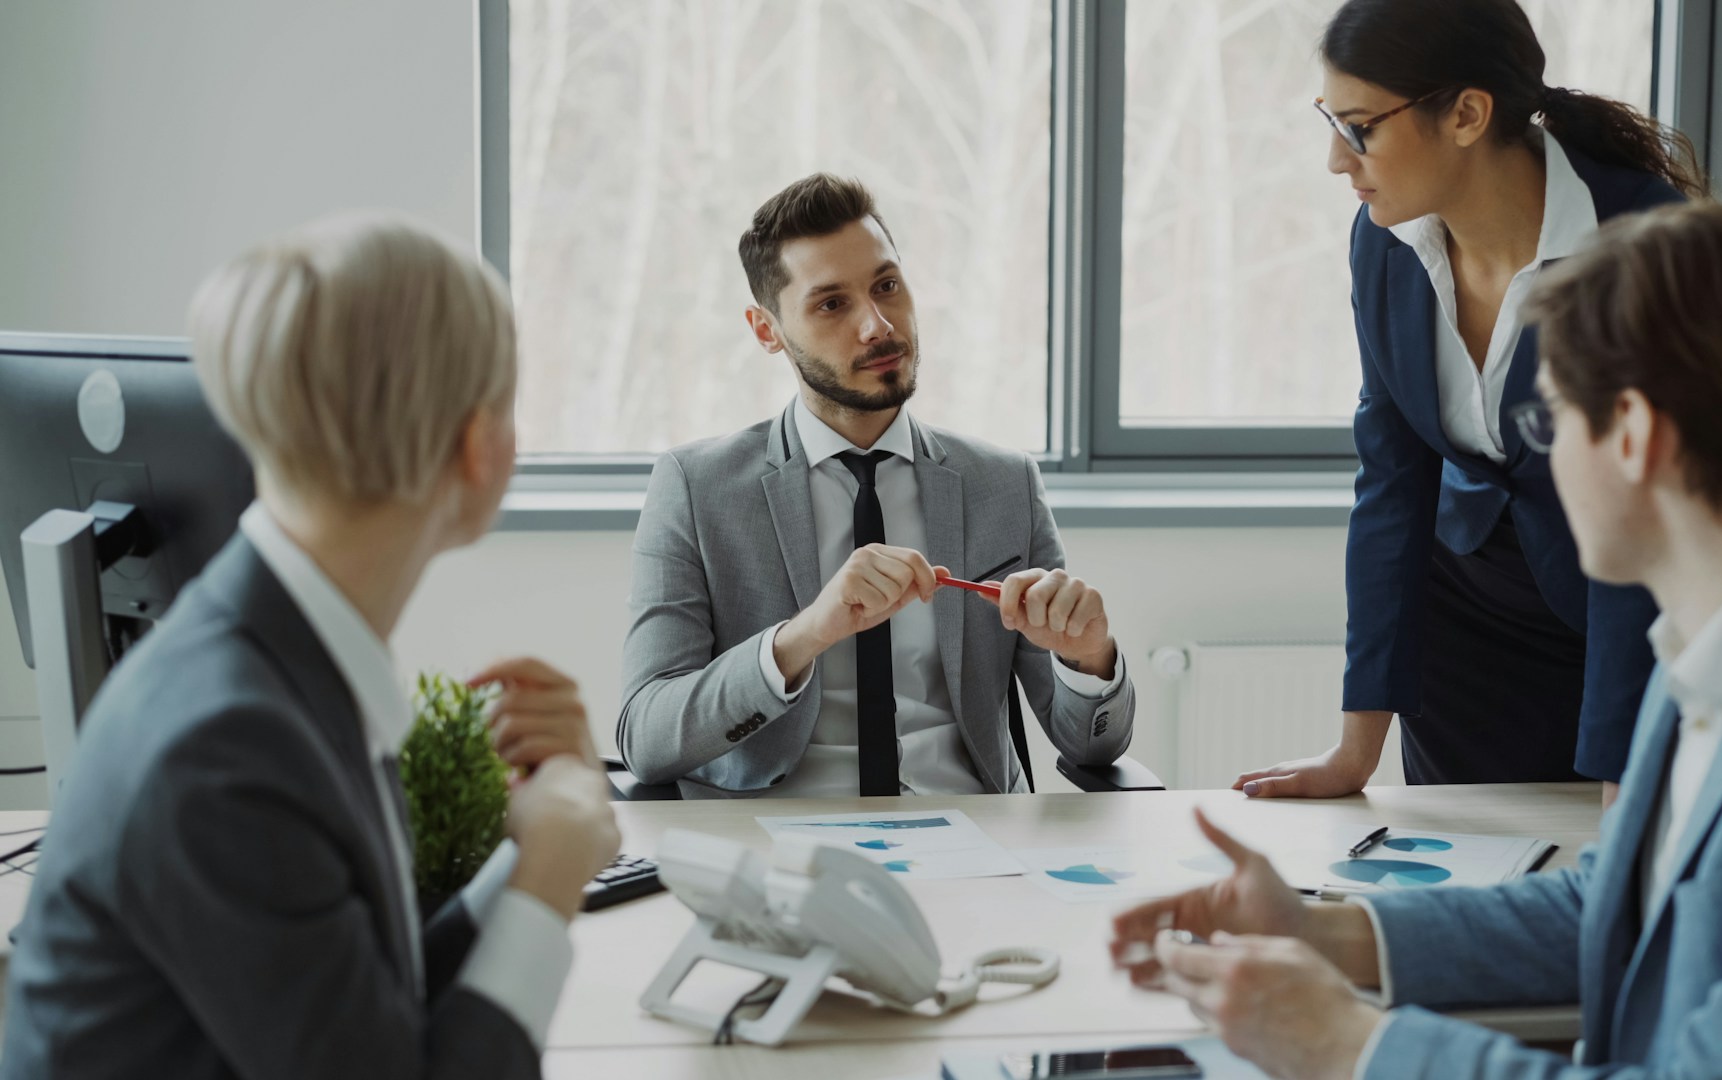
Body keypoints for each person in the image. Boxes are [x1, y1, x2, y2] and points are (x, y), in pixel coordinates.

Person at [1113, 202, 1722, 1078]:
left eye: (1549, 422)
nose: (1542, 460)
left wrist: (1346, 1044)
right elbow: (1614, 907)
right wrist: (1325, 933)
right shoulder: (1717, 633)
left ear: (1635, 437)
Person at [1, 216, 621, 1079]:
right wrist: (548, 880)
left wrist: (540, 846)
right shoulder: (227, 750)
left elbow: (363, 1013)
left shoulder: (271, 664)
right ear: (480, 448)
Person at [1236, 0, 1706, 801]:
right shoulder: (1385, 239)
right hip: (1464, 632)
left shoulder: (1646, 243)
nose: (1335, 161)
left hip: (1624, 620)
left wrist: (1620, 767)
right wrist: (1355, 751)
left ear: (1466, 114)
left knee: (1605, 887)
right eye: (1331, 121)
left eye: (1359, 128)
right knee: (1461, 885)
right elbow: (1391, 482)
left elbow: (1652, 519)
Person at [617, 173, 1134, 797]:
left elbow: (1094, 746)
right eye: (832, 303)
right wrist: (806, 634)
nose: (878, 326)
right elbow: (646, 738)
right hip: (782, 850)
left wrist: (1088, 660)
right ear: (766, 330)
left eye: (887, 286)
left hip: (974, 843)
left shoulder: (1003, 484)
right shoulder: (697, 489)